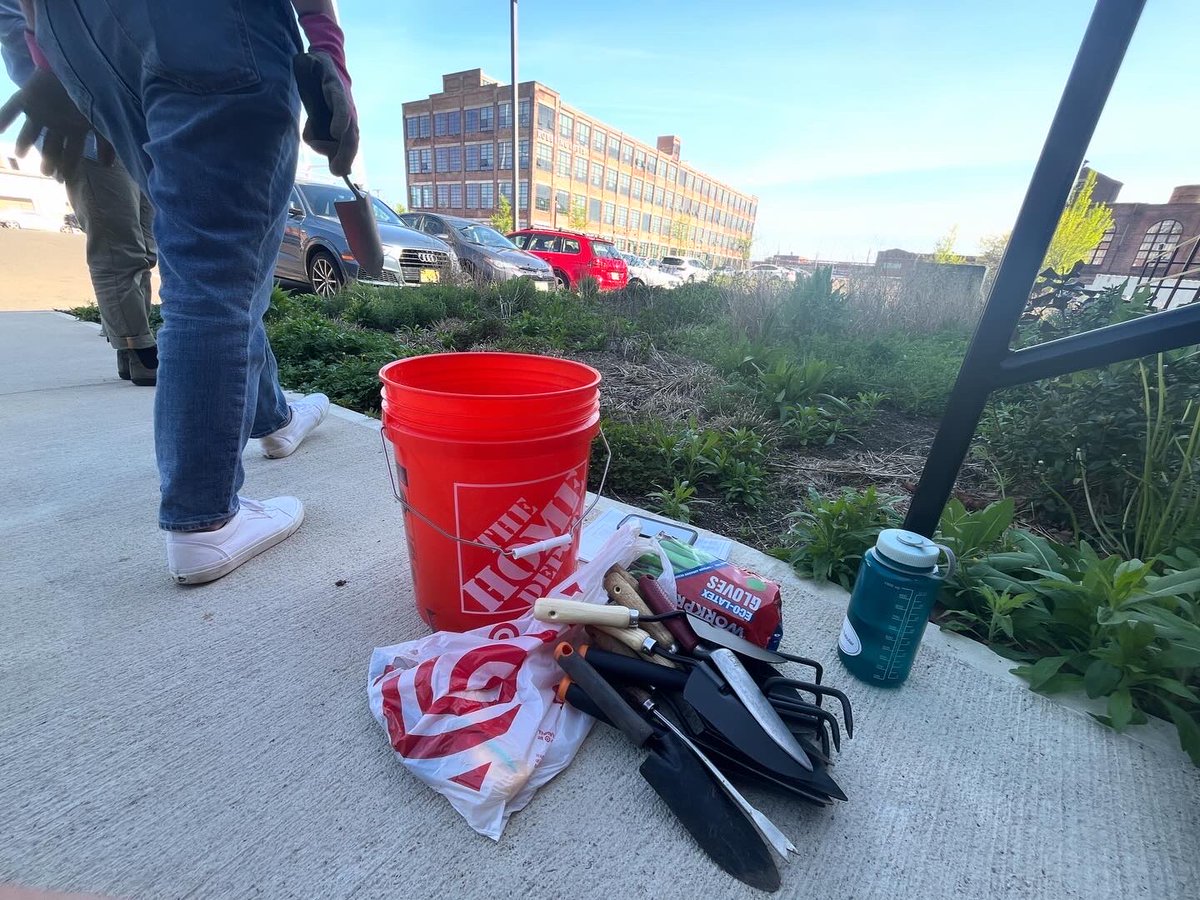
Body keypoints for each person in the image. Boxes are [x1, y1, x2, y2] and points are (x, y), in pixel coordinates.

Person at [0, 0, 357, 584]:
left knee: (210, 248)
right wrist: (327, 50)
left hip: (79, 36)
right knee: (216, 265)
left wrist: (46, 57)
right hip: (212, 24)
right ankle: (204, 522)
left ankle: (273, 418)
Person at [0, 0, 158, 385]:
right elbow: (14, 29)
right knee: (117, 243)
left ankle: (131, 343)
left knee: (145, 244)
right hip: (77, 124)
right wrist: (58, 77)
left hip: (130, 119)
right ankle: (140, 351)